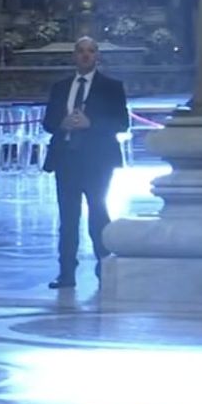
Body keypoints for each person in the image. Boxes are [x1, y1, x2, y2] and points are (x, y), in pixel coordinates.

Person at [41, 36, 129, 289]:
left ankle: (105, 267)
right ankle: (66, 272)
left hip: (97, 160)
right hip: (66, 158)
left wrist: (92, 124)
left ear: (97, 55)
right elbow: (48, 122)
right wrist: (62, 123)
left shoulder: (111, 87)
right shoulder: (60, 87)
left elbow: (122, 122)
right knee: (68, 217)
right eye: (80, 51)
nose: (85, 55)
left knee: (98, 212)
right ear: (74, 56)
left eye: (90, 51)